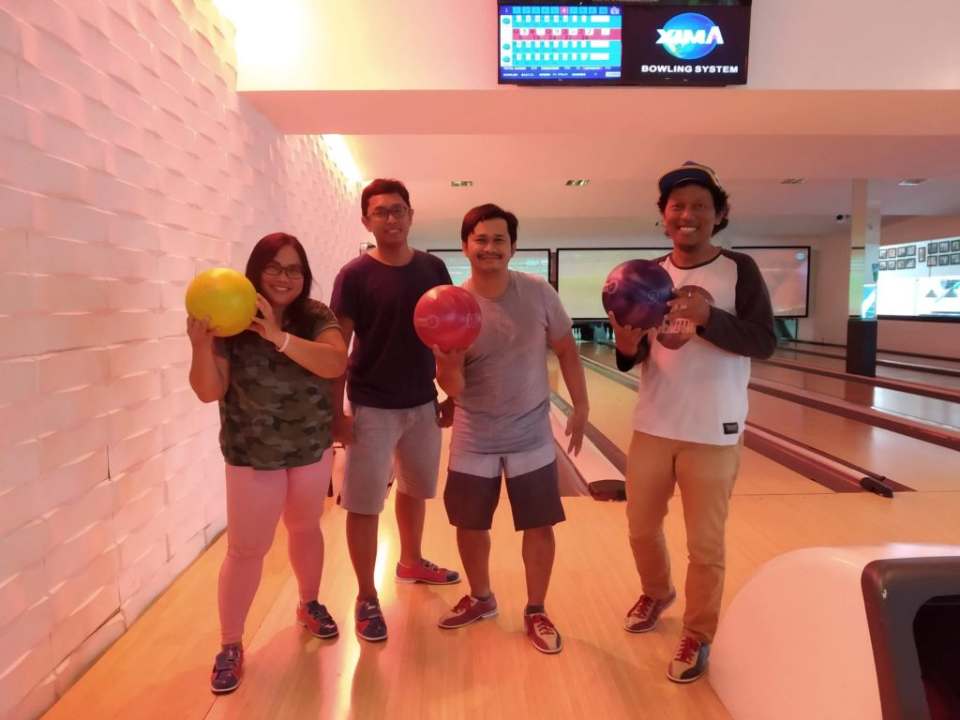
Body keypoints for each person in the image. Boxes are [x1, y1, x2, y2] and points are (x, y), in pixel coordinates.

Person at [609, 162, 775, 682]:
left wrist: (708, 319)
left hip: (715, 429)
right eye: (677, 206)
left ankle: (697, 634)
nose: (688, 214)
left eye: (700, 205)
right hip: (655, 424)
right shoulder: (647, 275)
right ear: (662, 217)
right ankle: (658, 593)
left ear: (718, 214)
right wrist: (625, 346)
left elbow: (764, 341)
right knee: (640, 528)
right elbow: (633, 355)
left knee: (705, 544)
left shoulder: (738, 269)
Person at [187, 232, 348, 694]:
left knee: (305, 529)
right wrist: (201, 345)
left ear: (304, 276)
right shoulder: (229, 323)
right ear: (255, 271)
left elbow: (335, 362)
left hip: (309, 449)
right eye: (274, 267)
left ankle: (309, 603)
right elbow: (207, 390)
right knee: (245, 551)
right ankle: (231, 644)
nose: (284, 277)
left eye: (294, 269)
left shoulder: (314, 316)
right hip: (252, 455)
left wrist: (277, 337)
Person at [433, 204, 589, 654]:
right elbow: (455, 386)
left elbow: (567, 349)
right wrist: (445, 364)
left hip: (531, 435)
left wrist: (581, 404)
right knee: (469, 524)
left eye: (499, 239)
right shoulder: (453, 307)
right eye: (480, 239)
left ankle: (536, 609)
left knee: (539, 526)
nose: (489, 247)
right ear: (465, 246)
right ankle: (482, 599)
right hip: (474, 435)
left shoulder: (538, 292)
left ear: (513, 247)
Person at [330, 178, 460, 643]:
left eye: (398, 210)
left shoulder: (432, 267)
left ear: (410, 215)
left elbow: (452, 336)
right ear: (367, 220)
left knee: (415, 489)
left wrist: (453, 396)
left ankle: (411, 560)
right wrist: (337, 415)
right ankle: (366, 595)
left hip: (421, 402)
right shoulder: (354, 276)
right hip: (371, 405)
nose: (391, 218)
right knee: (364, 504)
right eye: (381, 211)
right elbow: (336, 348)